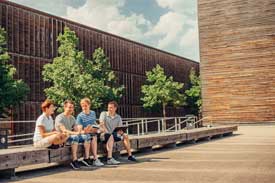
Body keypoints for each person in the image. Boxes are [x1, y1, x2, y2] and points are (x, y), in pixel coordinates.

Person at [55, 100, 92, 169]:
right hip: (62, 138)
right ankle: (74, 160)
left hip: (71, 136)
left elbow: (76, 130)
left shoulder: (72, 118)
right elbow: (64, 130)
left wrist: (84, 131)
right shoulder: (59, 117)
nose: (71, 109)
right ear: (65, 107)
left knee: (87, 136)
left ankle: (86, 158)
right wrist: (76, 133)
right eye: (69, 107)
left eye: (72, 108)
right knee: (75, 137)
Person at [76, 98, 104, 167]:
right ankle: (95, 159)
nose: (84, 107)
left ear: (89, 105)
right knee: (93, 137)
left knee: (101, 134)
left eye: (85, 105)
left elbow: (94, 123)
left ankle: (95, 159)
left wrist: (98, 127)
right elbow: (79, 130)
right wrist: (85, 130)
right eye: (82, 106)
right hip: (86, 133)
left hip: (93, 132)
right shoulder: (80, 116)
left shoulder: (93, 113)